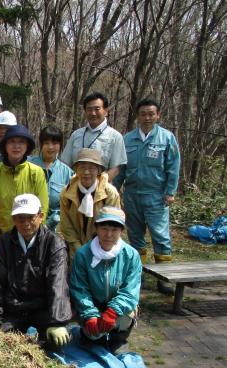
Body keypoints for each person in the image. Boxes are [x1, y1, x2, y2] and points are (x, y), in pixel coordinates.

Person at [0, 194, 72, 351]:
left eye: (30, 217)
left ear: (41, 216)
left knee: (57, 342)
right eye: (20, 218)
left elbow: (58, 284)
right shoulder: (3, 243)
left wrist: (57, 321)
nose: (25, 223)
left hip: (43, 309)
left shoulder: (55, 244)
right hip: (13, 309)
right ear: (13, 219)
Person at [113, 98, 181, 294]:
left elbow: (173, 167)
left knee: (160, 236)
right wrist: (114, 191)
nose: (147, 118)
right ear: (137, 116)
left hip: (156, 196)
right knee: (135, 236)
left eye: (151, 114)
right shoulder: (128, 139)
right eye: (143, 114)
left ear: (157, 115)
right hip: (132, 195)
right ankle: (138, 272)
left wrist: (170, 192)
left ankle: (164, 277)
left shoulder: (166, 138)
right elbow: (121, 168)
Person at [69, 207, 141, 352]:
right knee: (93, 336)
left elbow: (130, 290)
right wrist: (90, 315)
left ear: (122, 231)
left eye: (114, 230)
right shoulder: (82, 254)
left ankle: (117, 338)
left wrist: (112, 312)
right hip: (93, 305)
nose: (108, 235)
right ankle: (91, 334)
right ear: (96, 228)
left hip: (117, 310)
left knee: (126, 317)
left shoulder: (131, 255)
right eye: (104, 228)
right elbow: (79, 289)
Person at [0, 125, 48, 243]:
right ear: (5, 145)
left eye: (21, 142)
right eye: (12, 142)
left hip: (31, 235)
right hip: (2, 237)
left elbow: (43, 206)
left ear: (27, 146)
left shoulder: (36, 172)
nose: (16, 146)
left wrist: (36, 230)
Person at [59, 148, 121, 257]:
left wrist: (94, 248)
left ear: (98, 171)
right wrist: (79, 249)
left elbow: (113, 225)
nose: (86, 172)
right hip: (75, 250)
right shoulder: (67, 193)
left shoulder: (109, 193)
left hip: (104, 246)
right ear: (76, 170)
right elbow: (66, 226)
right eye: (82, 168)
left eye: (91, 168)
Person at [60, 92, 127, 180]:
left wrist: (97, 186)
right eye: (89, 109)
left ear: (106, 111)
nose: (93, 113)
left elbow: (116, 169)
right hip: (75, 188)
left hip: (101, 190)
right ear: (85, 111)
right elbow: (65, 164)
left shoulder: (115, 137)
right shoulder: (76, 135)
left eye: (97, 109)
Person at [28, 126, 73, 232]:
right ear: (40, 144)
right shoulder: (28, 164)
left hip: (54, 228)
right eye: (46, 143)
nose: (50, 147)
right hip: (28, 223)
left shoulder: (67, 172)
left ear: (61, 145)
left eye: (55, 143)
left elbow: (68, 204)